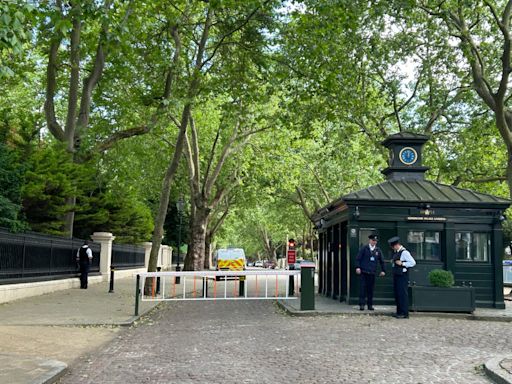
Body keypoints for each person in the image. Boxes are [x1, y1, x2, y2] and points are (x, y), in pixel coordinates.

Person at [355, 234, 386, 310]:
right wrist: (358, 267)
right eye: (373, 240)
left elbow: (382, 261)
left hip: (372, 272)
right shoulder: (364, 248)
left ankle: (370, 305)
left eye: (375, 241)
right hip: (364, 272)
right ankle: (362, 304)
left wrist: (383, 270)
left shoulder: (378, 250)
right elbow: (358, 258)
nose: (374, 242)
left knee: (370, 290)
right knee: (362, 289)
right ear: (370, 240)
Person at [388, 236, 416, 318]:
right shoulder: (397, 252)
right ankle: (399, 312)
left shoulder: (404, 252)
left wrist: (403, 264)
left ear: (396, 245)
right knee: (398, 294)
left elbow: (413, 262)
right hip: (397, 275)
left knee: (402, 294)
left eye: (393, 247)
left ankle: (404, 313)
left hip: (402, 276)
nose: (393, 248)